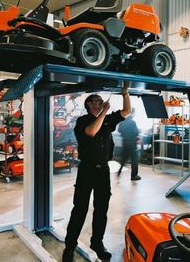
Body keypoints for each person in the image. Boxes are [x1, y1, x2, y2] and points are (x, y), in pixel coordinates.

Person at [62, 85, 131, 262]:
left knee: (102, 209)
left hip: (103, 171)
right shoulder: (82, 121)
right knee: (80, 209)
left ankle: (97, 243)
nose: (100, 103)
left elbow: (126, 110)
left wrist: (125, 93)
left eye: (101, 101)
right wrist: (104, 113)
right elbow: (92, 131)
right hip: (86, 170)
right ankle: (70, 247)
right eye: (96, 101)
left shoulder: (108, 120)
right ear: (89, 104)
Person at [118, 107, 141, 180]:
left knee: (124, 159)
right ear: (132, 113)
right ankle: (134, 176)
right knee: (134, 160)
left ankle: (119, 171)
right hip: (132, 143)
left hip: (124, 142)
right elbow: (136, 132)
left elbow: (119, 130)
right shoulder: (132, 122)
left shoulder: (122, 121)